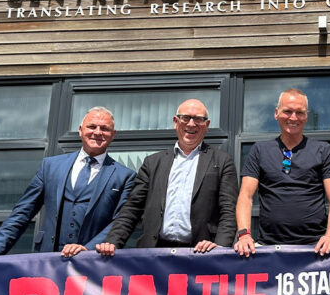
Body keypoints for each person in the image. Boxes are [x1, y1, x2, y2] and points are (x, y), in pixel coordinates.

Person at [0, 107, 134, 266]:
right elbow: (22, 213)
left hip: (93, 264)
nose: (97, 132)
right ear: (80, 130)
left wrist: (89, 250)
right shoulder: (50, 166)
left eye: (104, 129)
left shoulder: (125, 176)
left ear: (113, 135)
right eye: (92, 126)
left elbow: (120, 221)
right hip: (47, 261)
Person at [94, 99, 238, 256]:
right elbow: (132, 208)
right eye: (185, 118)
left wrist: (220, 248)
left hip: (201, 255)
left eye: (198, 119)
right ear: (175, 122)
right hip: (155, 254)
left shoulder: (222, 161)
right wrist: (112, 242)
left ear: (207, 125)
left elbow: (229, 210)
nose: (191, 124)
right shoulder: (152, 162)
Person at [234, 88, 330, 256]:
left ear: (306, 116)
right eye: (287, 111)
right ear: (276, 113)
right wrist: (244, 235)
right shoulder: (259, 150)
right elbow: (246, 196)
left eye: (300, 112)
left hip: (315, 249)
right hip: (267, 248)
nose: (293, 118)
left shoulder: (323, 150)